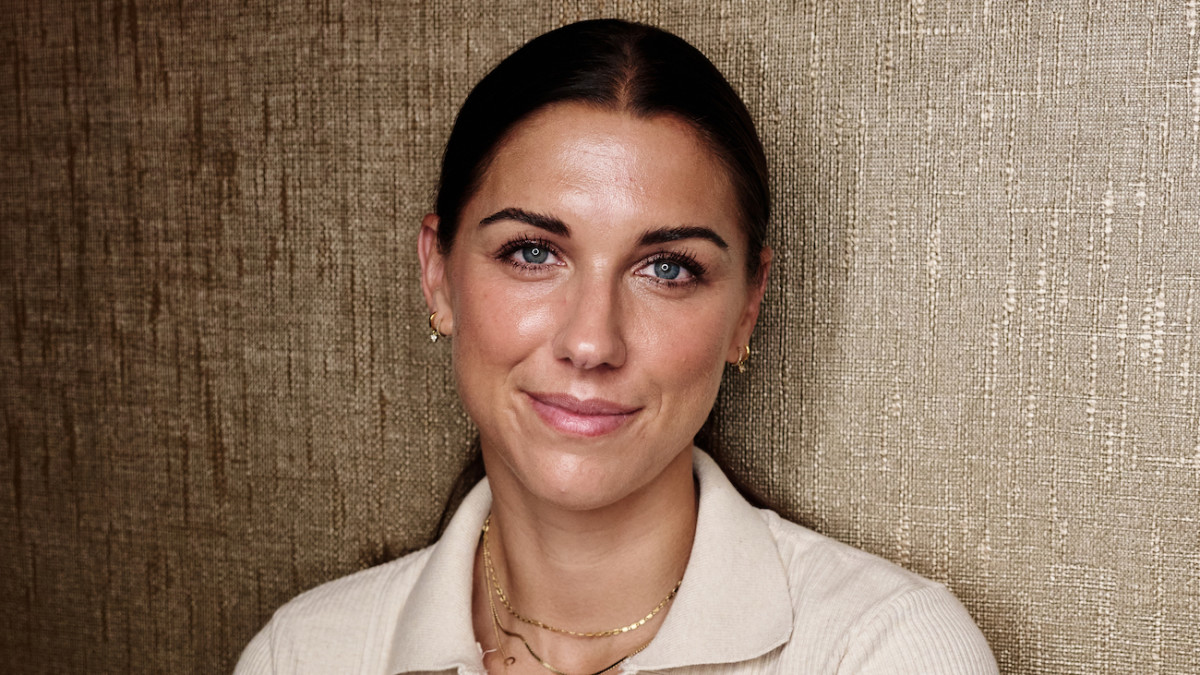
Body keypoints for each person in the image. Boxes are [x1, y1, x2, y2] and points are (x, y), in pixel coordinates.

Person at [235, 18, 999, 675]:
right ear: (437, 276)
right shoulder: (305, 652)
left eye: (667, 268)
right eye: (532, 252)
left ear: (746, 308)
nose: (592, 340)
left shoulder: (886, 650)